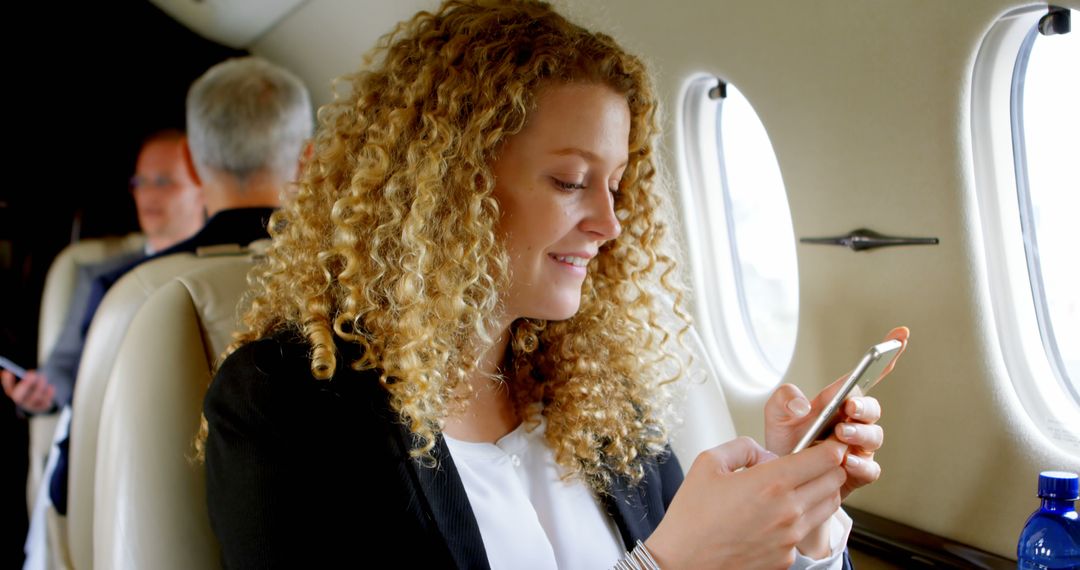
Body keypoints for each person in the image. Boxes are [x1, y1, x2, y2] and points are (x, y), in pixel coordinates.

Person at [201, 2, 906, 568]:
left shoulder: (592, 393)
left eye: (617, 187)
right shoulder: (283, 406)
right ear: (450, 188)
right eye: (570, 182)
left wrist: (796, 527)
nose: (609, 224)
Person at [45, 55, 314, 516]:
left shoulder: (127, 292)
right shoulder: (349, 282)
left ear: (189, 162)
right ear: (308, 157)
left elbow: (68, 489)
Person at [1, 129, 205, 414]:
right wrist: (42, 393)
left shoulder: (220, 272)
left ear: (203, 187)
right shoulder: (100, 277)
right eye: (140, 181)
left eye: (163, 181)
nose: (148, 194)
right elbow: (64, 365)